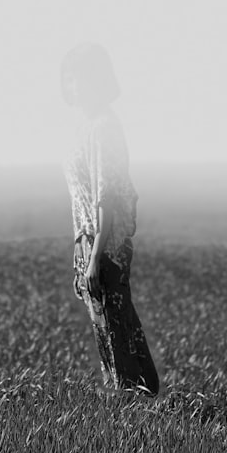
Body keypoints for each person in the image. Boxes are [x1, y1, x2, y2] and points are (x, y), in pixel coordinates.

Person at [61, 42, 160, 396]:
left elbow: (106, 195)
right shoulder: (84, 125)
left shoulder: (103, 126)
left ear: (98, 80)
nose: (74, 86)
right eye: (69, 79)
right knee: (113, 324)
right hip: (91, 241)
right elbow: (80, 197)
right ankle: (145, 399)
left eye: (81, 78)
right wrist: (79, 247)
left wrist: (95, 255)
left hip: (107, 242)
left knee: (114, 328)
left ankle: (132, 402)